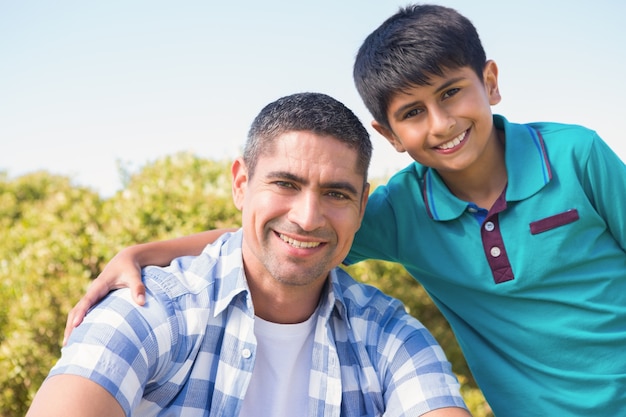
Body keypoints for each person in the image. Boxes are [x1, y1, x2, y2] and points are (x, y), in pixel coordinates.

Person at [65, 4, 626, 416]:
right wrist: (144, 253)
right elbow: (286, 236)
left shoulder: (577, 156)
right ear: (390, 135)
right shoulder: (400, 211)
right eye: (413, 111)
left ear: (491, 82)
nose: (440, 123)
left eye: (453, 93)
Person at [28, 92, 470, 417]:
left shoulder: (389, 336)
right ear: (241, 184)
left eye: (336, 193)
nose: (308, 217)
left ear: (360, 206)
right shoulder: (149, 309)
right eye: (286, 184)